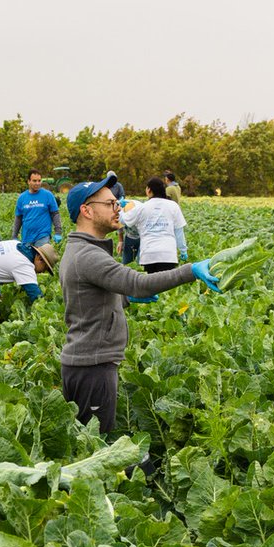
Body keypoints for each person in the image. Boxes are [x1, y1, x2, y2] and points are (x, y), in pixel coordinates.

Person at [60, 175, 221, 435]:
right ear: (87, 211)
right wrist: (190, 270)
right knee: (96, 449)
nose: (118, 209)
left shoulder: (83, 250)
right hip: (93, 366)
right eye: (110, 203)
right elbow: (139, 283)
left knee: (91, 445)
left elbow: (88, 299)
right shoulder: (88, 255)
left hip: (88, 362)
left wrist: (124, 299)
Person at [118, 176, 189, 272]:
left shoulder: (142, 208)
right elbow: (179, 231)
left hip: (149, 254)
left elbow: (123, 220)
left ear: (149, 190)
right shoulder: (173, 206)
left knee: (152, 284)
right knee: (167, 284)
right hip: (168, 254)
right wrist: (183, 250)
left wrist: (121, 208)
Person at [12, 169, 62, 248]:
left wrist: (58, 232)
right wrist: (14, 236)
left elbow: (55, 214)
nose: (37, 183)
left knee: (41, 259)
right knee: (28, 260)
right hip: (26, 238)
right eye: (34, 181)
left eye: (39, 181)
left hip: (43, 236)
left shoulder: (48, 195)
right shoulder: (22, 198)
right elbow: (18, 218)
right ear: (29, 181)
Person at [113, 182, 141, 264]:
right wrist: (121, 241)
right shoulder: (121, 209)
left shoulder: (140, 210)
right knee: (126, 263)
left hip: (143, 237)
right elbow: (120, 226)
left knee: (141, 263)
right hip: (129, 237)